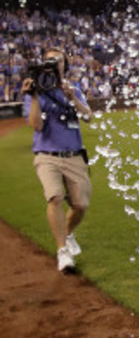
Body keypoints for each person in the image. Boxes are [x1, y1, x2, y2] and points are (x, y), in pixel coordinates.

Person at [21, 46, 93, 274]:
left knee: (80, 205)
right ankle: (62, 251)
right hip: (47, 155)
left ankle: (68, 233)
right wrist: (33, 96)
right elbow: (36, 125)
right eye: (49, 61)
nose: (53, 65)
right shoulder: (37, 91)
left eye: (58, 61)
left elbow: (88, 117)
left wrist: (72, 98)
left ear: (65, 65)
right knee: (55, 197)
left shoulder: (74, 89)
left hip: (73, 154)